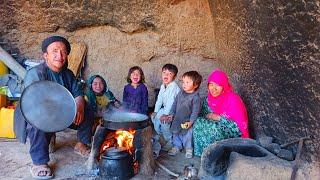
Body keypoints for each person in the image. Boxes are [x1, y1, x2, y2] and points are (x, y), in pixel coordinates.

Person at [14, 36, 94, 179]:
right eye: (55, 51)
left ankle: (81, 144)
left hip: (61, 114)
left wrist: (80, 105)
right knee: (37, 120)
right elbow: (34, 104)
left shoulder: (68, 74)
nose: (60, 55)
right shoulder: (36, 74)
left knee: (87, 108)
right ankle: (39, 163)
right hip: (39, 114)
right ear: (46, 55)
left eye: (63, 52)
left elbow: (78, 93)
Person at [193, 69, 249, 157]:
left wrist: (219, 118)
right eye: (211, 84)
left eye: (218, 85)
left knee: (214, 129)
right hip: (214, 125)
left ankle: (217, 156)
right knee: (198, 123)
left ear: (224, 86)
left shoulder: (233, 100)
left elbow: (238, 127)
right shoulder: (209, 99)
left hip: (232, 132)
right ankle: (203, 154)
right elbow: (202, 114)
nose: (213, 89)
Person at [162, 71, 202, 158]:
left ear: (195, 85)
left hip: (187, 121)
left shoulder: (196, 97)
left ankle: (188, 148)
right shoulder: (180, 93)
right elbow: (174, 105)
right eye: (183, 82)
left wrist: (191, 122)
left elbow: (195, 112)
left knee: (188, 135)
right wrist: (171, 115)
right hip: (177, 118)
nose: (184, 84)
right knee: (175, 133)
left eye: (187, 82)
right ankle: (177, 146)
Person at [151, 63, 180, 157]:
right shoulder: (163, 85)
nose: (166, 75)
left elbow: (172, 102)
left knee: (164, 123)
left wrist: (166, 115)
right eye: (164, 73)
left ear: (174, 77)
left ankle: (170, 141)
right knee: (154, 119)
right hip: (165, 109)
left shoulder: (173, 86)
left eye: (169, 74)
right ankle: (161, 135)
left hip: (173, 111)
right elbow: (159, 99)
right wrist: (155, 111)